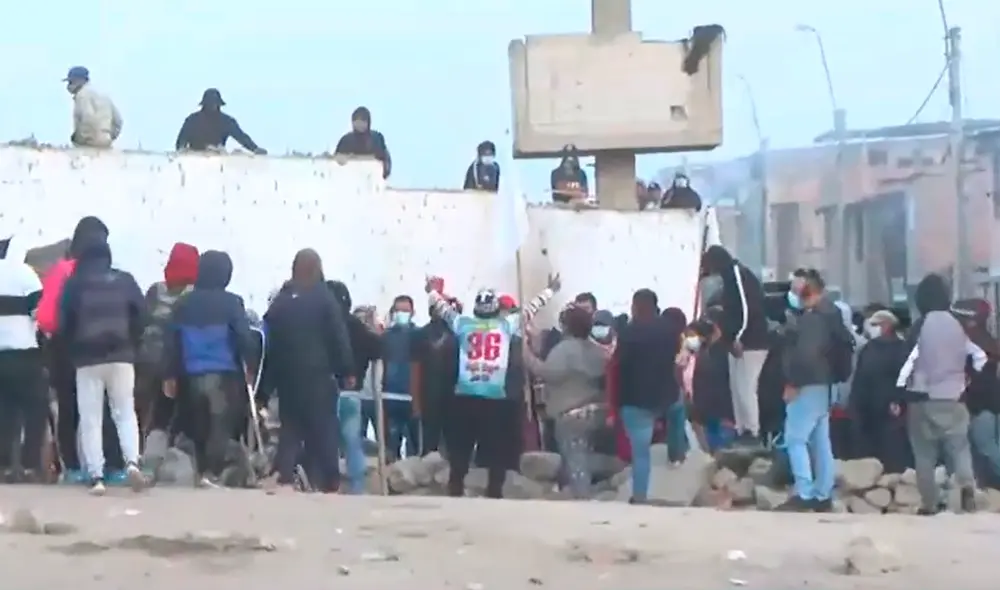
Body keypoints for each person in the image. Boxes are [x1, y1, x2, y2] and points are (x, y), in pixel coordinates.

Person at [427, 272, 560, 498]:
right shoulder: (506, 326)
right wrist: (550, 290)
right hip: (495, 396)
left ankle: (456, 486)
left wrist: (431, 290)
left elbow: (443, 309)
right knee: (496, 448)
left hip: (465, 393)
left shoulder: (462, 324)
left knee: (461, 447)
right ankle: (494, 490)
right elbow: (530, 309)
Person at [37, 217, 129, 484]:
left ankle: (75, 469)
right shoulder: (110, 274)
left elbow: (46, 319)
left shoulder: (60, 270)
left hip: (63, 349)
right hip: (102, 349)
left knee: (70, 410)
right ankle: (112, 467)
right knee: (106, 410)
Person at [59, 235, 146, 495]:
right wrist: (131, 343)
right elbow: (142, 315)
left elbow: (65, 324)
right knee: (125, 412)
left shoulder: (75, 284)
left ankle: (96, 476)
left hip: (87, 360)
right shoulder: (125, 280)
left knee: (91, 418)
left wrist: (73, 350)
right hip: (121, 357)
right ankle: (132, 462)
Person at [263, 249, 355, 493]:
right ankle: (329, 481)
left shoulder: (281, 302)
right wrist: (346, 369)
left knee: (290, 428)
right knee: (324, 427)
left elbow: (269, 340)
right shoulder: (324, 298)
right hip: (317, 375)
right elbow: (338, 336)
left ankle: (284, 476)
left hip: (287, 377)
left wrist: (267, 383)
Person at [161, 251, 254, 488]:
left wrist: (170, 374)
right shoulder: (233, 302)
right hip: (224, 372)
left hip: (191, 373)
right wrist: (250, 364)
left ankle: (200, 471)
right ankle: (212, 473)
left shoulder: (183, 303)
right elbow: (243, 336)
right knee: (220, 425)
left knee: (198, 425)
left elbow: (172, 340)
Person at [896, 275, 984, 514]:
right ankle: (967, 487)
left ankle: (930, 503)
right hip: (954, 398)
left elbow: (907, 361)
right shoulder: (959, 326)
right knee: (960, 447)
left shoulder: (920, 326)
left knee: (924, 454)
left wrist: (898, 394)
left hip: (922, 399)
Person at [776, 269, 853, 512]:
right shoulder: (833, 313)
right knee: (821, 441)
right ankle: (823, 493)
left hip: (808, 384)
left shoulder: (812, 319)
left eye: (797, 287)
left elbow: (805, 355)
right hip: (827, 385)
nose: (794, 291)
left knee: (795, 439)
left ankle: (804, 492)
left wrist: (792, 382)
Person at [523, 305, 611, 499]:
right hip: (597, 411)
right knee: (582, 457)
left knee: (576, 461)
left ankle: (582, 499)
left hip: (572, 415)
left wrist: (527, 356)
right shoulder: (596, 350)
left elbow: (548, 373)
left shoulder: (564, 350)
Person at [614, 289, 684, 503]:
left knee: (641, 453)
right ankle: (677, 452)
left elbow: (620, 364)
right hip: (665, 394)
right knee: (678, 410)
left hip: (635, 400)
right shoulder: (670, 330)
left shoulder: (627, 333)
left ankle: (640, 496)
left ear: (635, 306)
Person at [700, 245, 769, 447]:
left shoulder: (737, 276)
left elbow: (746, 309)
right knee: (736, 387)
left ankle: (752, 431)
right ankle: (742, 429)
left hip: (751, 341)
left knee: (747, 387)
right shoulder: (728, 277)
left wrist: (739, 337)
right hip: (736, 341)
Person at [136, 242, 199, 438]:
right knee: (168, 414)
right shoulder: (193, 295)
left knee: (142, 412)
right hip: (177, 364)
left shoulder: (155, 290)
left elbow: (140, 321)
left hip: (145, 360)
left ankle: (139, 451)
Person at [0, 239, 47, 482]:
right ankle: (30, 466)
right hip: (24, 351)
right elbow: (40, 311)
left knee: (4, 413)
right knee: (35, 410)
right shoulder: (23, 272)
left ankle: (5, 466)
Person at [849, 309, 911, 473]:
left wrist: (898, 400)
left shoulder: (902, 349)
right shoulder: (868, 348)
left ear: (887, 325)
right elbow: (860, 377)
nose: (871, 328)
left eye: (875, 324)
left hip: (892, 411)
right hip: (867, 410)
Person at [952, 299, 1000, 489]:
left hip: (980, 407)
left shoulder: (973, 343)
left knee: (987, 447)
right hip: (989, 404)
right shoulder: (988, 340)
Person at [411, 295, 461, 455]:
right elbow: (415, 369)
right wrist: (416, 402)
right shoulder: (421, 334)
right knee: (430, 443)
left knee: (453, 444)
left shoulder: (458, 333)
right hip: (430, 396)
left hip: (453, 396)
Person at [381, 294, 421, 459]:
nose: (402, 313)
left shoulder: (420, 335)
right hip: (390, 398)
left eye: (405, 310)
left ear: (413, 312)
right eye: (398, 310)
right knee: (391, 448)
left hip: (413, 399)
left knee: (415, 449)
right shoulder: (386, 336)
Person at [688, 317, 735, 453]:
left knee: (720, 442)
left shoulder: (718, 352)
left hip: (718, 406)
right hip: (707, 406)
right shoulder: (704, 352)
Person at [175, 89, 266, 154]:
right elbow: (180, 143)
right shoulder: (192, 120)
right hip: (194, 161)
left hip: (217, 159)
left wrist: (254, 149)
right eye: (210, 104)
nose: (213, 106)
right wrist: (182, 154)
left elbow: (241, 137)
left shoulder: (226, 121)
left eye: (215, 104)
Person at [64, 66, 123, 148]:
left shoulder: (82, 95)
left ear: (79, 80)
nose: (68, 86)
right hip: (106, 140)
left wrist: (79, 140)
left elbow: (88, 118)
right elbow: (118, 121)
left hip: (89, 143)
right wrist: (109, 136)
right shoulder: (103, 94)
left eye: (71, 82)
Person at [334, 106, 392, 179]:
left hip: (372, 180)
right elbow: (336, 162)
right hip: (350, 180)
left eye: (362, 121)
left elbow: (385, 160)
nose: (359, 124)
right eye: (356, 121)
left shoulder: (376, 139)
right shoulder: (346, 140)